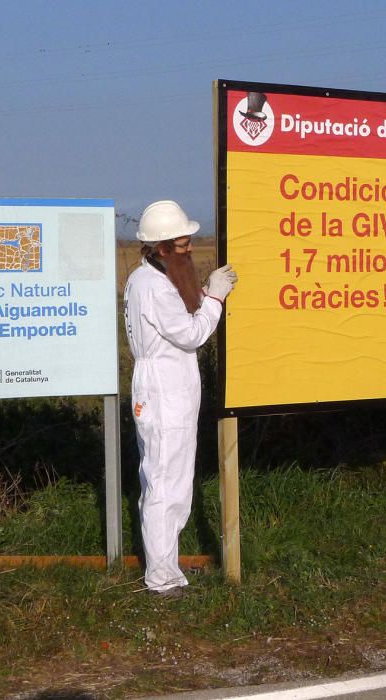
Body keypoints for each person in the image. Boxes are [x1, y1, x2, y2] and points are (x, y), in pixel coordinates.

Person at [124, 199, 237, 596]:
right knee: (164, 483)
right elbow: (190, 334)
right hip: (163, 391)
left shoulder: (150, 279)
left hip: (165, 388)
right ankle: (162, 578)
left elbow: (180, 320)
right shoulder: (154, 286)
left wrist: (205, 293)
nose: (190, 249)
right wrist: (217, 299)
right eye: (184, 244)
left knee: (168, 479)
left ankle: (168, 565)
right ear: (163, 247)